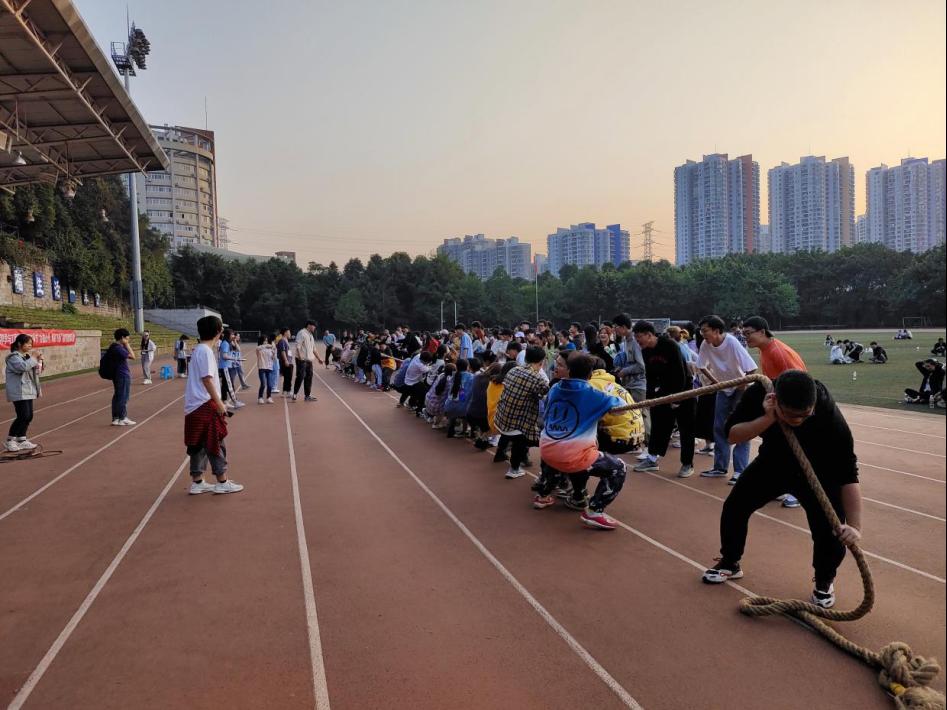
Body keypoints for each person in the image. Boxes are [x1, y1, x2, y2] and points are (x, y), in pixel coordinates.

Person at [702, 370, 862, 610]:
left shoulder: (827, 411)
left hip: (818, 471)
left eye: (805, 415)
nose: (798, 420)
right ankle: (730, 562)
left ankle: (824, 580)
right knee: (735, 506)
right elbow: (732, 435)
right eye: (791, 415)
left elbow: (848, 472)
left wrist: (856, 527)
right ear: (775, 401)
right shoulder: (760, 392)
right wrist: (768, 418)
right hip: (773, 462)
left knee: (831, 529)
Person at [534, 352, 628, 530]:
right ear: (590, 374)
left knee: (570, 453)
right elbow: (622, 409)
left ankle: (543, 495)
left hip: (546, 450)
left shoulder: (555, 388)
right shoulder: (594, 395)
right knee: (618, 468)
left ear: (569, 371)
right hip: (572, 456)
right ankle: (594, 511)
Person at [742, 316, 807, 508]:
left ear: (762, 332)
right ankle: (781, 487)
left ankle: (800, 491)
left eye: (748, 333)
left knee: (795, 451)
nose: (746, 338)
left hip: (794, 409)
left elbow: (799, 384)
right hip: (780, 407)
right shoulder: (765, 350)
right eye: (744, 334)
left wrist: (792, 413)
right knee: (778, 450)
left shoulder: (778, 352)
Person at [184, 315, 243, 495]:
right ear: (218, 332)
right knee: (215, 441)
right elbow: (207, 379)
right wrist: (219, 403)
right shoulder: (206, 352)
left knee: (198, 443)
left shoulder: (199, 349)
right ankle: (222, 481)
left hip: (194, 404)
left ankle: (198, 482)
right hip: (204, 403)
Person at [695, 315, 757, 483]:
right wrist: (716, 383)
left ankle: (740, 471)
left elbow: (751, 369)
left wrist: (741, 388)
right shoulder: (706, 344)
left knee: (740, 427)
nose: (703, 334)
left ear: (717, 330)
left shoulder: (731, 342)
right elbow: (700, 366)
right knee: (719, 427)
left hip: (740, 388)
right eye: (701, 331)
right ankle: (720, 467)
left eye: (705, 331)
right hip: (723, 388)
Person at [631, 320, 696, 478]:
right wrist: (649, 399)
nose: (637, 340)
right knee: (659, 425)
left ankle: (687, 464)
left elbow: (680, 373)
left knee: (686, 428)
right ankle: (652, 459)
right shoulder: (646, 351)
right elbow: (650, 376)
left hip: (684, 390)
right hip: (664, 391)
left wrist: (677, 399)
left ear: (649, 335)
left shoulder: (669, 345)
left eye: (639, 336)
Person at [494, 346, 549, 479]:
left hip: (501, 417)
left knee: (516, 434)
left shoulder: (513, 370)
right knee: (526, 438)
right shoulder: (537, 378)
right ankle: (514, 469)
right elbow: (546, 395)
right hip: (519, 423)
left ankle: (502, 454)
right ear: (541, 362)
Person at [611, 314, 648, 439]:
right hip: (629, 384)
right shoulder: (625, 341)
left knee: (642, 415)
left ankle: (647, 444)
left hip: (638, 385)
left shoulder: (635, 341)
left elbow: (642, 366)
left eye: (616, 327)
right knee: (633, 415)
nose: (614, 330)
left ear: (623, 327)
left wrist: (625, 371)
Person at [5, 334, 43, 452]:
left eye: (31, 344)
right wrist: (33, 357)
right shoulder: (13, 357)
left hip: (28, 390)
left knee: (29, 416)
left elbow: (35, 372)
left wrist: (39, 362)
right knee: (23, 416)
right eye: (27, 343)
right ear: (19, 344)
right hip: (19, 391)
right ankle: (10, 440)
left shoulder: (26, 357)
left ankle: (22, 439)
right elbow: (22, 367)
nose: (30, 346)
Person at [107, 328, 136, 426]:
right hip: (122, 374)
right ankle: (123, 418)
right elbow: (133, 356)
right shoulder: (118, 348)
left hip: (117, 374)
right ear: (122, 337)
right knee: (123, 396)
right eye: (127, 338)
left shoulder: (113, 347)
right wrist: (127, 345)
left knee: (117, 396)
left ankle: (116, 418)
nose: (128, 340)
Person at [293, 320, 324, 401]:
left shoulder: (311, 335)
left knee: (309, 377)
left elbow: (314, 349)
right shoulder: (302, 333)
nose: (315, 328)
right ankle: (295, 394)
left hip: (309, 360)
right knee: (300, 376)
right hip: (302, 359)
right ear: (309, 325)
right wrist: (300, 357)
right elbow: (298, 346)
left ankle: (307, 395)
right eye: (314, 326)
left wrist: (319, 358)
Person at [256, 334, 277, 403]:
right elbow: (258, 348)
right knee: (263, 384)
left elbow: (274, 359)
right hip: (262, 367)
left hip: (269, 368)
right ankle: (260, 397)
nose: (266, 342)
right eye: (264, 341)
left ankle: (269, 397)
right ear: (261, 341)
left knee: (270, 384)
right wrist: (267, 345)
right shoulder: (259, 348)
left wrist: (274, 353)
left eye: (267, 341)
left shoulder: (270, 349)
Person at [277, 327, 294, 397]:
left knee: (287, 377)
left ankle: (284, 391)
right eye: (289, 332)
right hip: (286, 362)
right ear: (285, 333)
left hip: (289, 361)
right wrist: (286, 360)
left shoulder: (285, 340)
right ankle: (288, 391)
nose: (290, 334)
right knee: (288, 377)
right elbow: (282, 351)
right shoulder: (282, 341)